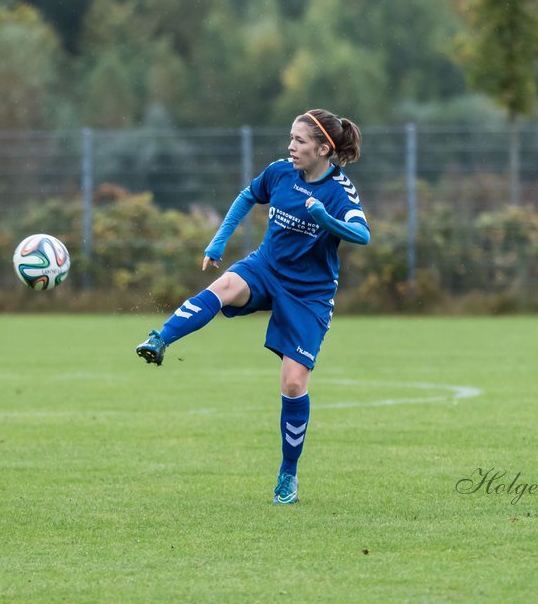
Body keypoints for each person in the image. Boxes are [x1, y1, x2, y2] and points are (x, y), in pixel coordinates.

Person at [135, 109, 369, 505]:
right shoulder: (280, 172)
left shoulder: (341, 192)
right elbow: (247, 197)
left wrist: (326, 219)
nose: (290, 146)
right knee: (225, 284)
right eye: (291, 138)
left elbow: (361, 234)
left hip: (309, 295)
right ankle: (160, 339)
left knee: (293, 384)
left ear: (323, 148)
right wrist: (218, 241)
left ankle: (287, 476)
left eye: (299, 141)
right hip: (266, 267)